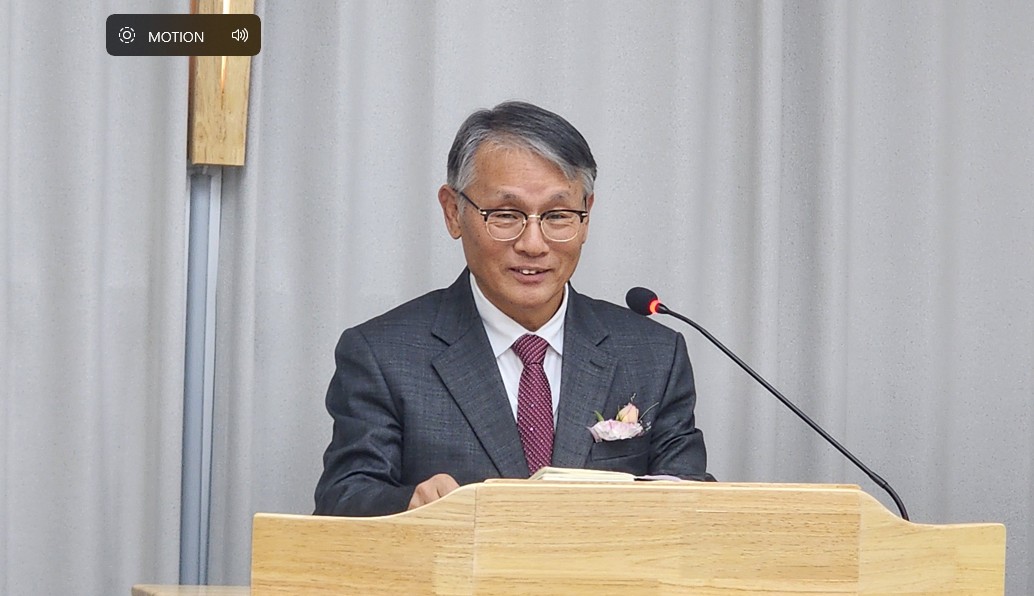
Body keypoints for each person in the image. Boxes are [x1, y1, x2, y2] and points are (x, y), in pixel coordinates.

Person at [314, 101, 709, 517]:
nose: (533, 244)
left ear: (586, 217)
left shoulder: (653, 355)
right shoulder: (383, 354)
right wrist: (410, 505)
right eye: (505, 215)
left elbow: (694, 506)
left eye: (557, 215)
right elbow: (343, 501)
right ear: (453, 212)